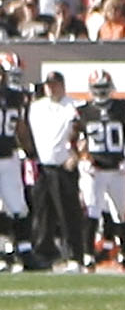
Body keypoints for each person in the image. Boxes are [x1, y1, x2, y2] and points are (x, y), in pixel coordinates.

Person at [75, 68, 125, 269]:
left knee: (120, 212)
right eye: (98, 88)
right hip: (94, 170)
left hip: (117, 168)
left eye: (104, 88)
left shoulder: (123, 107)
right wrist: (82, 158)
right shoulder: (82, 111)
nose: (101, 92)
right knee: (92, 211)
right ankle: (87, 255)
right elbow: (72, 139)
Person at [27, 68, 83, 269]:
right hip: (43, 166)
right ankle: (44, 254)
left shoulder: (73, 106)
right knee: (43, 214)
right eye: (48, 85)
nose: (51, 89)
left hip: (63, 166)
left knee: (68, 213)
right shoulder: (36, 107)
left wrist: (76, 155)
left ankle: (74, 255)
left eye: (54, 85)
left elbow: (82, 133)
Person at [0, 52, 35, 269]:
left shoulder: (16, 97)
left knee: (18, 206)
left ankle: (24, 251)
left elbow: (20, 127)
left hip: (9, 156)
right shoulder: (16, 97)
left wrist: (30, 152)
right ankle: (5, 252)